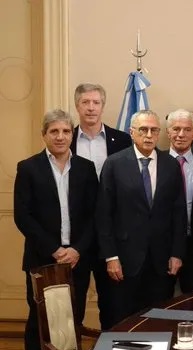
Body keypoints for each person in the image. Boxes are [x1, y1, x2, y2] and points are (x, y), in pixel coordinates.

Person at [14, 109, 98, 350]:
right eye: (54, 131)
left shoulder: (86, 168)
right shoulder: (29, 168)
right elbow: (23, 216)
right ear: (44, 135)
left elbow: (95, 215)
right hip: (42, 258)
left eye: (65, 131)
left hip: (77, 259)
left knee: (72, 319)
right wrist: (54, 249)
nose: (60, 137)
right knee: (37, 321)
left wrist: (77, 250)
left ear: (72, 135)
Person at [96, 110, 187, 325]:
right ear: (131, 132)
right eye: (143, 130)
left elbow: (179, 212)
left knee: (158, 322)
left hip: (161, 261)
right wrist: (110, 257)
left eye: (154, 130)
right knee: (124, 321)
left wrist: (177, 253)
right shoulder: (114, 164)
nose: (148, 135)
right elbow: (103, 214)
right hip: (124, 260)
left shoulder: (170, 164)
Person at [70, 83, 132, 330]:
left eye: (96, 102)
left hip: (112, 237)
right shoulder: (66, 138)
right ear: (77, 106)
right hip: (76, 236)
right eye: (85, 102)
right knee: (73, 305)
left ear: (103, 106)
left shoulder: (123, 140)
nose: (91, 107)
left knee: (114, 305)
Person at [165, 109, 193, 293]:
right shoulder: (155, 162)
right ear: (168, 132)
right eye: (176, 129)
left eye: (187, 129)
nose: (181, 134)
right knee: (163, 300)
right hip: (164, 244)